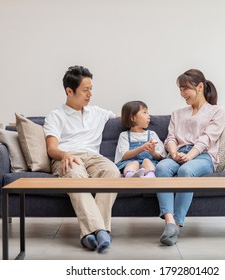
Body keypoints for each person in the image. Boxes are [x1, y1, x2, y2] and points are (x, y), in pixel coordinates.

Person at [43, 65, 120, 253]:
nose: (90, 94)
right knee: (76, 177)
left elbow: (124, 118)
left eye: (91, 89)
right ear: (69, 91)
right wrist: (64, 154)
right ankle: (100, 231)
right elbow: (52, 148)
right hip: (68, 157)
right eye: (85, 90)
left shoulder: (98, 113)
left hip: (93, 157)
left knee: (112, 171)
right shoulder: (56, 116)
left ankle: (90, 233)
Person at [155, 69, 225, 246]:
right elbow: (170, 138)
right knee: (162, 167)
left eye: (185, 89)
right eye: (180, 89)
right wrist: (174, 154)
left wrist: (189, 156)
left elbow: (207, 139)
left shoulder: (216, 111)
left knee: (186, 170)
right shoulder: (177, 113)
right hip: (178, 153)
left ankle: (177, 224)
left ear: (200, 87)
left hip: (202, 156)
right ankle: (169, 222)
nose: (182, 94)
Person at [114, 101, 166, 178]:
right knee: (133, 163)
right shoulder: (124, 135)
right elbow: (124, 155)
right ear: (133, 117)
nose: (148, 116)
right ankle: (131, 175)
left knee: (147, 161)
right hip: (129, 161)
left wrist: (153, 152)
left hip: (150, 161)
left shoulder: (151, 134)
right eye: (144, 113)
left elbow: (161, 156)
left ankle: (150, 176)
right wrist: (142, 148)